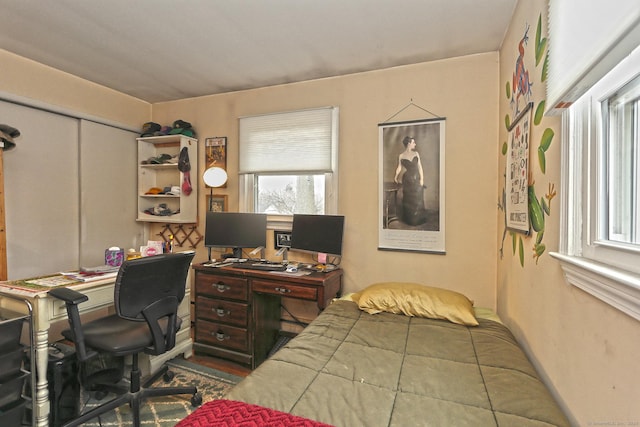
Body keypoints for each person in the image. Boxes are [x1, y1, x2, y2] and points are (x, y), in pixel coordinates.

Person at [394, 136, 427, 226]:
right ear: (409, 144)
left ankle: (417, 219)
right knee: (408, 199)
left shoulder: (416, 153)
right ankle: (409, 220)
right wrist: (396, 176)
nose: (415, 144)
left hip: (416, 178)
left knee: (417, 198)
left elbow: (420, 166)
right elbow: (399, 167)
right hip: (407, 179)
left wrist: (422, 179)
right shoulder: (401, 156)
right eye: (413, 143)